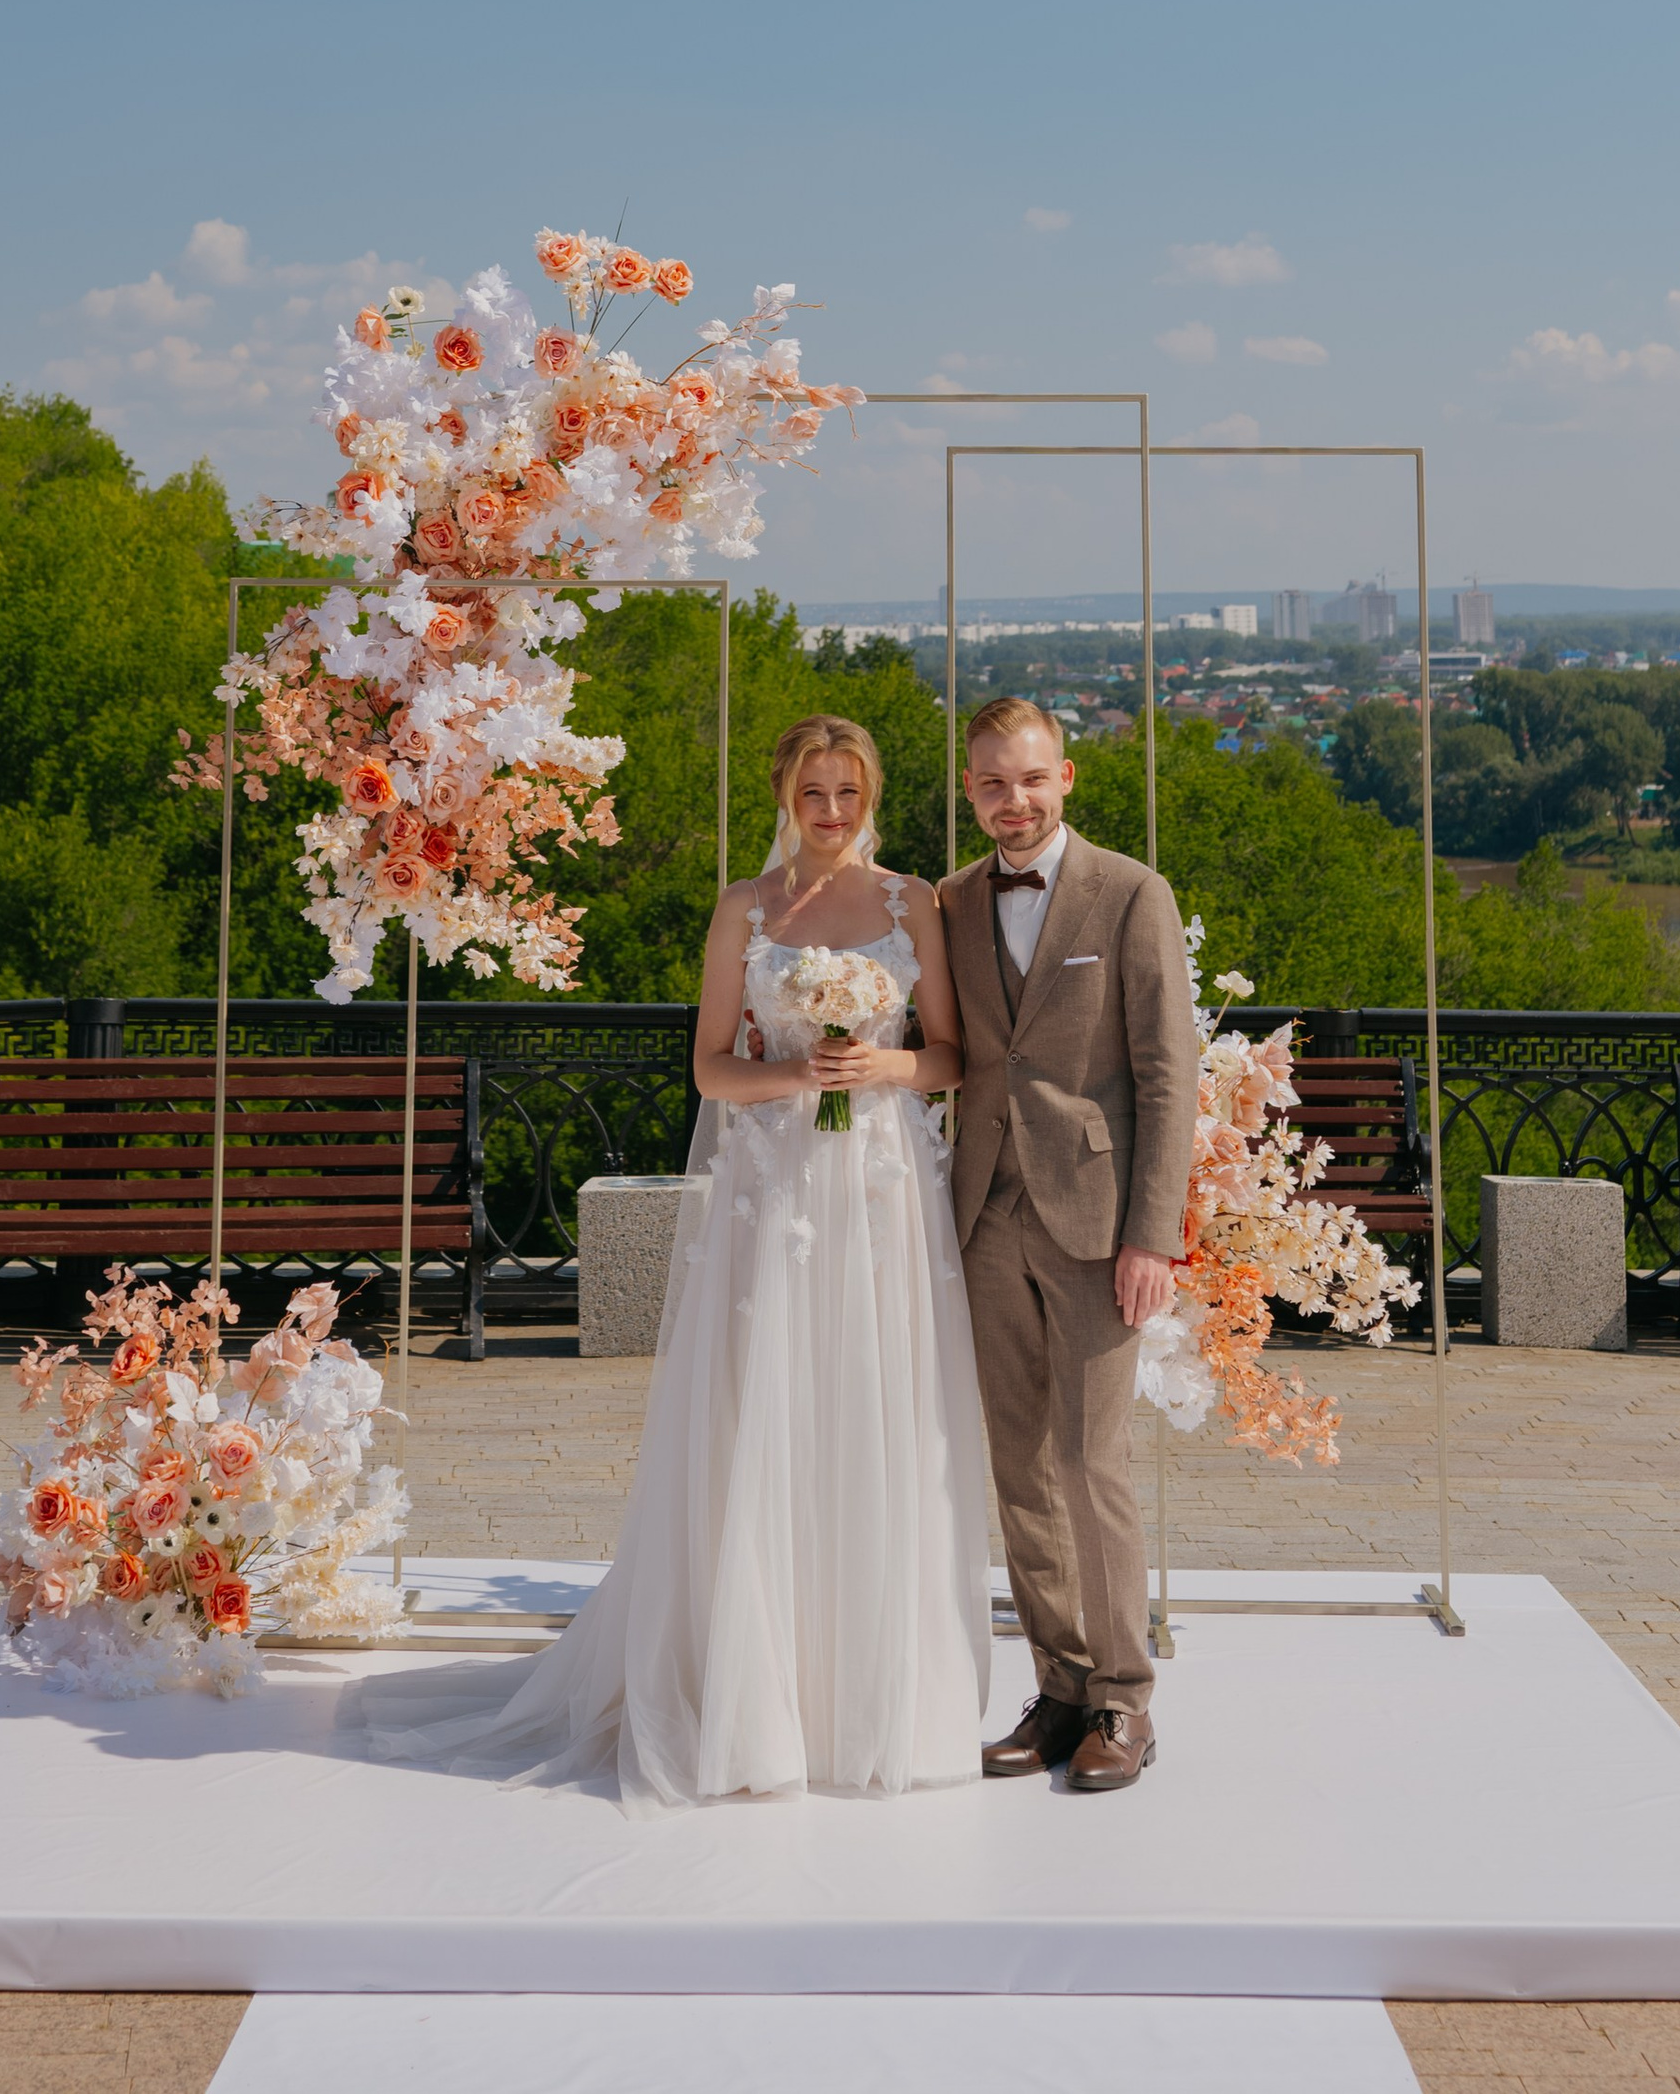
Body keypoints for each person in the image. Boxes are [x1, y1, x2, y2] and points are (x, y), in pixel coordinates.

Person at [345, 713, 991, 1808]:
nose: (829, 813)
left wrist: (877, 1062)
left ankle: (876, 1700)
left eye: (847, 792)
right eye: (812, 792)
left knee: (873, 1411)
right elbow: (707, 1070)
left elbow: (952, 1056)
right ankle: (750, 1699)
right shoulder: (744, 907)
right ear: (783, 793)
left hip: (882, 1198)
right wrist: (799, 1080)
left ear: (870, 795)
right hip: (774, 1192)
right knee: (764, 1417)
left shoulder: (909, 901)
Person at [938, 695, 1198, 1796]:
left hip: (1097, 1225)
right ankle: (1057, 1687)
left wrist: (1153, 1234)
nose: (1014, 798)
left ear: (1067, 776)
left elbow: (1167, 1074)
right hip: (983, 1210)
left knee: (1093, 1463)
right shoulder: (948, 901)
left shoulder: (1129, 891)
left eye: (1031, 778)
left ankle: (1124, 1702)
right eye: (993, 782)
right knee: (1019, 1466)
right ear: (970, 791)